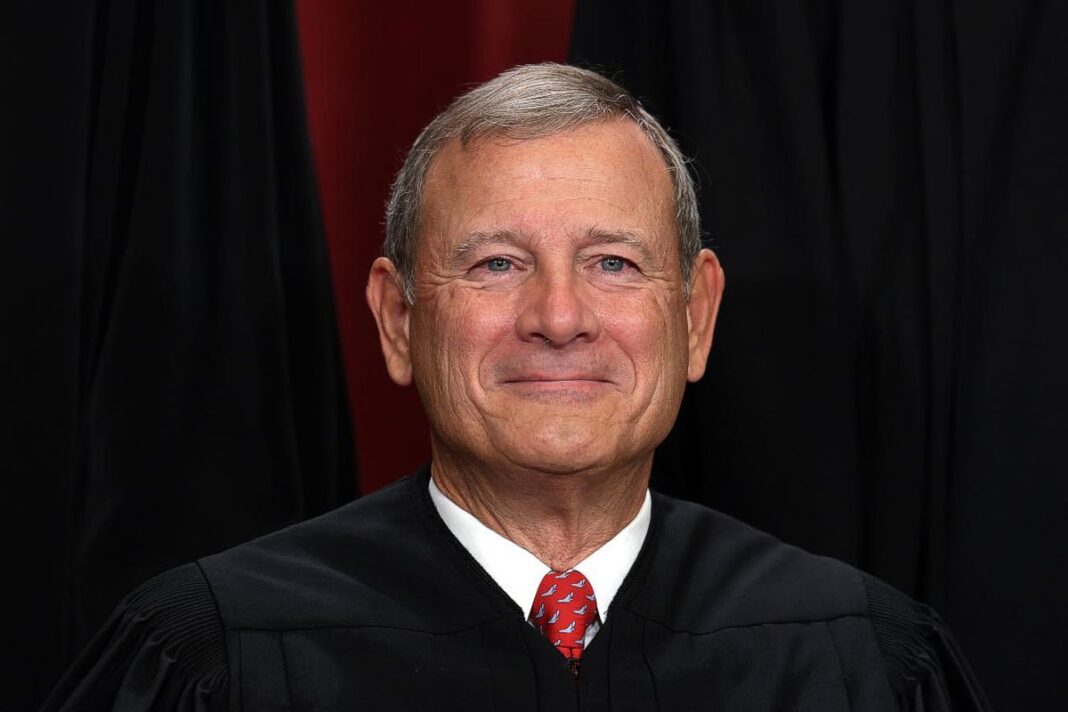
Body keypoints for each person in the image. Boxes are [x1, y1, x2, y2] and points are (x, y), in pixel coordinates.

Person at [44, 63, 990, 711]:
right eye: (496, 264)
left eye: (615, 263)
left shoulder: (861, 664)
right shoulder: (218, 659)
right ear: (399, 320)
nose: (561, 316)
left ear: (695, 317)